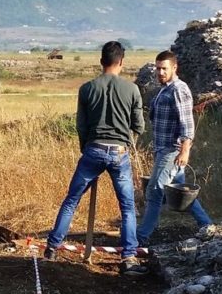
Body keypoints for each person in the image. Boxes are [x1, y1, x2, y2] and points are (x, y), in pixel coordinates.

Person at [44, 41, 147, 275]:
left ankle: (52, 247)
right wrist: (129, 140)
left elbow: (81, 125)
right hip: (119, 153)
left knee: (72, 200)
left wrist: (85, 148)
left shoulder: (87, 88)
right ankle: (129, 257)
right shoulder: (132, 90)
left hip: (93, 150)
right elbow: (138, 125)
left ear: (101, 61)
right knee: (128, 207)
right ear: (121, 62)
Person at [137, 50, 212, 245]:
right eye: (158, 69)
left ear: (174, 68)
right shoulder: (165, 88)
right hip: (164, 149)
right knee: (180, 194)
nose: (160, 73)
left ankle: (141, 237)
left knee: (154, 192)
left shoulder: (179, 89)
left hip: (172, 151)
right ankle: (208, 226)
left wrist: (184, 150)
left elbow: (187, 124)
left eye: (164, 69)